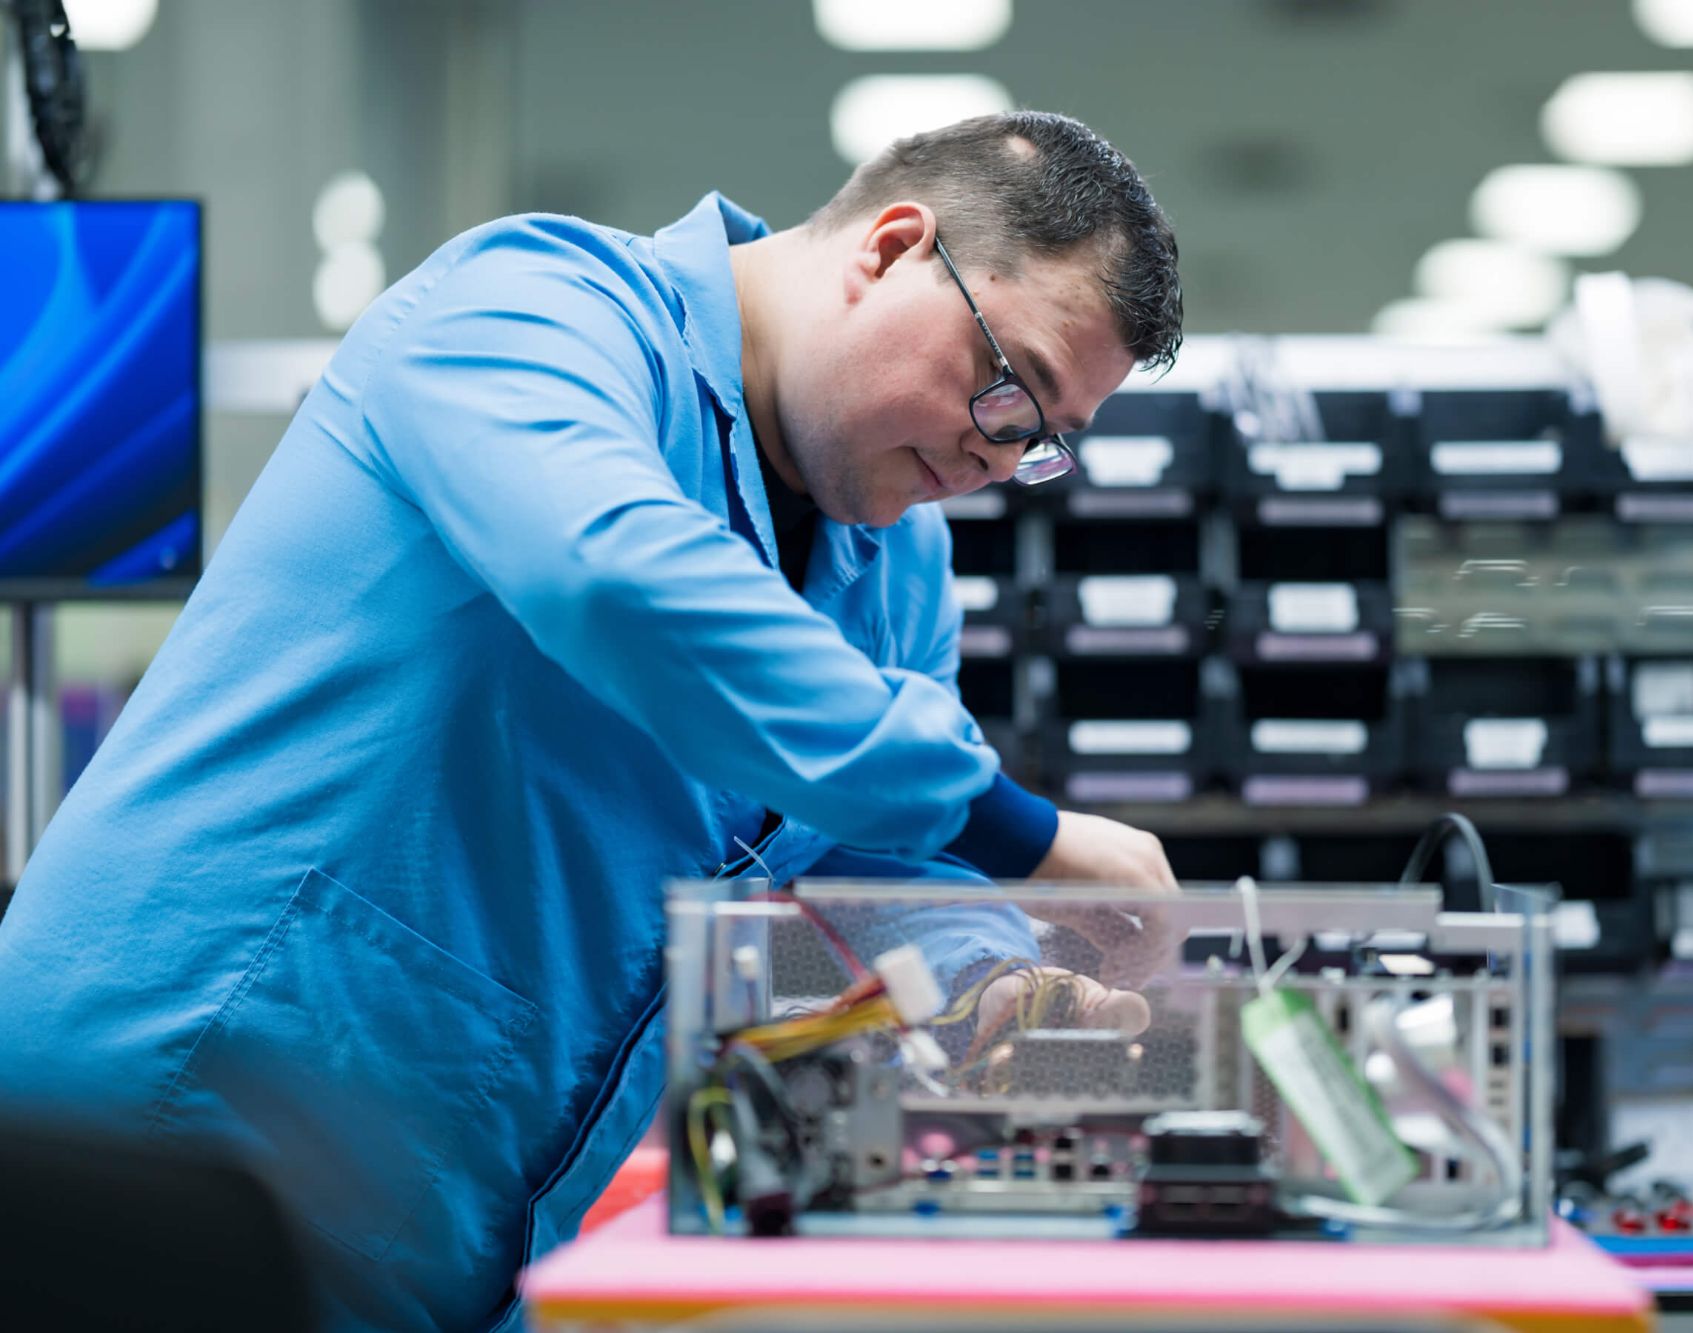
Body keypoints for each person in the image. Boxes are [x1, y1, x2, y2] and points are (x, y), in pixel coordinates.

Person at [0, 110, 1184, 1329]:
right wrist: (1021, 830)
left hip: (459, 1212)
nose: (1000, 453)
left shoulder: (898, 564)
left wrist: (984, 976)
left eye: (1044, 443)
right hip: (165, 1135)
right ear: (889, 247)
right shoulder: (530, 308)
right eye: (1009, 389)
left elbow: (864, 864)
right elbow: (613, 578)